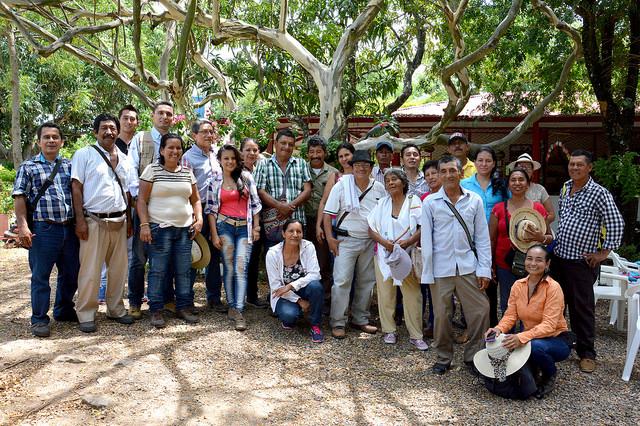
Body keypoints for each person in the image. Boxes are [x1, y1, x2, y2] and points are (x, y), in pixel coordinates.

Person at [551, 149, 624, 373]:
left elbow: (616, 223)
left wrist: (603, 254)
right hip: (560, 257)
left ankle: (586, 353)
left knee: (581, 308)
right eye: (572, 164)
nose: (574, 168)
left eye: (579, 165)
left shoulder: (599, 193)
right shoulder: (566, 187)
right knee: (556, 304)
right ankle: (559, 344)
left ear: (589, 168)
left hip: (581, 262)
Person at [421, 155, 491, 375]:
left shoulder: (474, 200)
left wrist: (484, 269)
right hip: (440, 268)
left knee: (481, 310)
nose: (448, 175)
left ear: (461, 173)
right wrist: (427, 273)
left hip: (468, 266)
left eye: (452, 170)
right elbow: (426, 239)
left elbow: (482, 237)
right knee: (442, 316)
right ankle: (443, 357)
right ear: (439, 175)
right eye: (443, 171)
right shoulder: (430, 202)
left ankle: (473, 356)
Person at [12, 122, 79, 337]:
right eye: (46, 137)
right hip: (43, 229)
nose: (51, 140)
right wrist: (23, 226)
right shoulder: (28, 167)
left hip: (69, 229)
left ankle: (63, 309)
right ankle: (39, 319)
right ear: (39, 141)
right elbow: (19, 196)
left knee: (71, 273)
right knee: (41, 276)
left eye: (55, 137)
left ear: (61, 142)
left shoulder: (69, 165)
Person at [71, 114, 135, 333]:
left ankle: (116, 309)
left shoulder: (125, 159)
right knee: (90, 271)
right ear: (95, 132)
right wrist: (80, 220)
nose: (109, 132)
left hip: (120, 220)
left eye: (112, 128)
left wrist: (129, 221)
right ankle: (86, 313)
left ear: (117, 131)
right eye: (104, 128)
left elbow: (128, 192)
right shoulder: (84, 154)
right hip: (94, 220)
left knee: (118, 270)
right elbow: (76, 187)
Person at [485, 244, 571, 399]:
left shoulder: (553, 288)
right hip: (530, 338)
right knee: (493, 341)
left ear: (547, 264)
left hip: (556, 339)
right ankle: (532, 369)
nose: (533, 263)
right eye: (529, 258)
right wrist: (498, 329)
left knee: (535, 347)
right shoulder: (518, 285)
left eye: (539, 260)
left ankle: (550, 374)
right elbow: (510, 315)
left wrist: (521, 338)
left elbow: (549, 325)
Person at [137, 133, 203, 328]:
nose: (175, 151)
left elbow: (196, 200)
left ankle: (183, 307)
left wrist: (199, 218)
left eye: (178, 148)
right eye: (170, 147)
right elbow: (141, 200)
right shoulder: (152, 170)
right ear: (162, 150)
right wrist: (144, 225)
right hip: (160, 229)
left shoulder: (187, 172)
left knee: (184, 271)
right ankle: (156, 310)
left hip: (185, 230)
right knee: (158, 271)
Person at [324, 150, 386, 339]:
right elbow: (328, 213)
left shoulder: (379, 188)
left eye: (365, 165)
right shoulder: (341, 186)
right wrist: (330, 238)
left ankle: (360, 318)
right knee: (342, 281)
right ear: (352, 167)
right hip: (345, 240)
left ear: (371, 168)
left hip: (370, 241)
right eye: (357, 165)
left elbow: (384, 214)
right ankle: (338, 322)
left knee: (367, 281)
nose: (361, 168)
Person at [367, 169, 427, 350]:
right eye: (387, 181)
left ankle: (416, 335)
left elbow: (423, 226)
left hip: (407, 254)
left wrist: (408, 241)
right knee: (385, 294)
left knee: (412, 295)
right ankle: (389, 330)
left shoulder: (413, 201)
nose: (391, 183)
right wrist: (385, 243)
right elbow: (371, 229)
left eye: (394, 179)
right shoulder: (382, 203)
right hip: (385, 255)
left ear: (403, 182)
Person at [127, 101, 175, 319]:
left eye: (169, 114)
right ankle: (135, 302)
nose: (165, 117)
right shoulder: (141, 138)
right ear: (153, 115)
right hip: (144, 206)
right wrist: (140, 198)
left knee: (166, 255)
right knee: (139, 257)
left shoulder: (174, 141)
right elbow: (131, 169)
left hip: (167, 208)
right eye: (161, 113)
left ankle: (166, 299)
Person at [206, 144, 262, 331]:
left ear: (237, 160)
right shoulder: (215, 180)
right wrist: (214, 234)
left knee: (241, 267)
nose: (230, 161)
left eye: (232, 158)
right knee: (229, 267)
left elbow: (255, 204)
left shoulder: (246, 177)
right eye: (226, 158)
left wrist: (256, 227)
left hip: (245, 227)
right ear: (220, 161)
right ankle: (232, 306)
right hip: (225, 226)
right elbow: (211, 210)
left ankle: (238, 308)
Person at [489, 168, 552, 314]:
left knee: (531, 303)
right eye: (513, 180)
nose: (517, 183)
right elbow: (491, 239)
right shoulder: (498, 209)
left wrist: (540, 238)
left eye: (521, 179)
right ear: (508, 185)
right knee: (507, 304)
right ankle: (508, 329)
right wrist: (490, 264)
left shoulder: (538, 208)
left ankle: (526, 329)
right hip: (504, 263)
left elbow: (549, 237)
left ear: (528, 184)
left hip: (531, 264)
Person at [462, 146, 508, 326]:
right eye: (480, 160)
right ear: (474, 162)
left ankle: (492, 325)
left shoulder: (501, 185)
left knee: (491, 283)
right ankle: (471, 326)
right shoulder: (464, 184)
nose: (484, 164)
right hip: (471, 240)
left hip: (495, 240)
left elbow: (509, 207)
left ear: (494, 163)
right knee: (470, 283)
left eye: (488, 161)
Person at [182, 119, 225, 312]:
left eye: (211, 131)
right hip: (196, 211)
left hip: (216, 211)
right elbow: (186, 189)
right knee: (193, 255)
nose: (209, 135)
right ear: (194, 135)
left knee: (215, 254)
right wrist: (194, 215)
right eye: (204, 132)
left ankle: (214, 298)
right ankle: (186, 300)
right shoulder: (188, 157)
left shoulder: (217, 154)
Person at [99, 104, 140, 303]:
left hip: (134, 204)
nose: (129, 122)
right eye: (125, 118)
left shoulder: (141, 143)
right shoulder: (108, 146)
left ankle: (132, 289)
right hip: (107, 207)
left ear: (137, 122)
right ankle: (103, 287)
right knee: (105, 251)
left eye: (133, 118)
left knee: (131, 251)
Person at [266, 219, 325, 343]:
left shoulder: (308, 246)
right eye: (291, 231)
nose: (295, 234)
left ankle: (315, 325)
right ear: (283, 234)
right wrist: (299, 301)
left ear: (302, 234)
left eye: (299, 231)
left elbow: (315, 274)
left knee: (316, 286)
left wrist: (291, 285)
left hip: (302, 289)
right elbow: (276, 287)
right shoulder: (273, 253)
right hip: (283, 294)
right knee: (289, 317)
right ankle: (294, 312)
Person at [254, 128, 311, 250]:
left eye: (290, 144)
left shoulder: (301, 163)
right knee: (273, 257)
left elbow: (307, 191)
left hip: (297, 222)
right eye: (283, 143)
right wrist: (280, 207)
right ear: (275, 144)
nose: (287, 147)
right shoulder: (263, 164)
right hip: (273, 224)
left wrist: (289, 207)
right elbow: (260, 191)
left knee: (298, 258)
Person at [304, 135, 338, 301]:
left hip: (324, 222)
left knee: (323, 260)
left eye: (319, 151)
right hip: (303, 220)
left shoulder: (333, 173)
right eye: (312, 152)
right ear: (307, 153)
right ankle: (304, 295)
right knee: (303, 259)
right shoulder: (301, 169)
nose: (315, 155)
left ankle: (324, 297)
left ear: (325, 153)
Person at [242, 137, 270, 308]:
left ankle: (254, 295)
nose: (252, 153)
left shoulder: (262, 168)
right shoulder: (237, 171)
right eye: (248, 150)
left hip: (263, 219)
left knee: (257, 257)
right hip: (245, 221)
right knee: (248, 259)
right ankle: (246, 296)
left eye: (255, 150)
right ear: (241, 152)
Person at [507, 153, 555, 224]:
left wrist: (539, 224)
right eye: (521, 167)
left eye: (528, 167)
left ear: (533, 171)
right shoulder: (509, 189)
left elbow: (551, 214)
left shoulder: (540, 189)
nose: (524, 169)